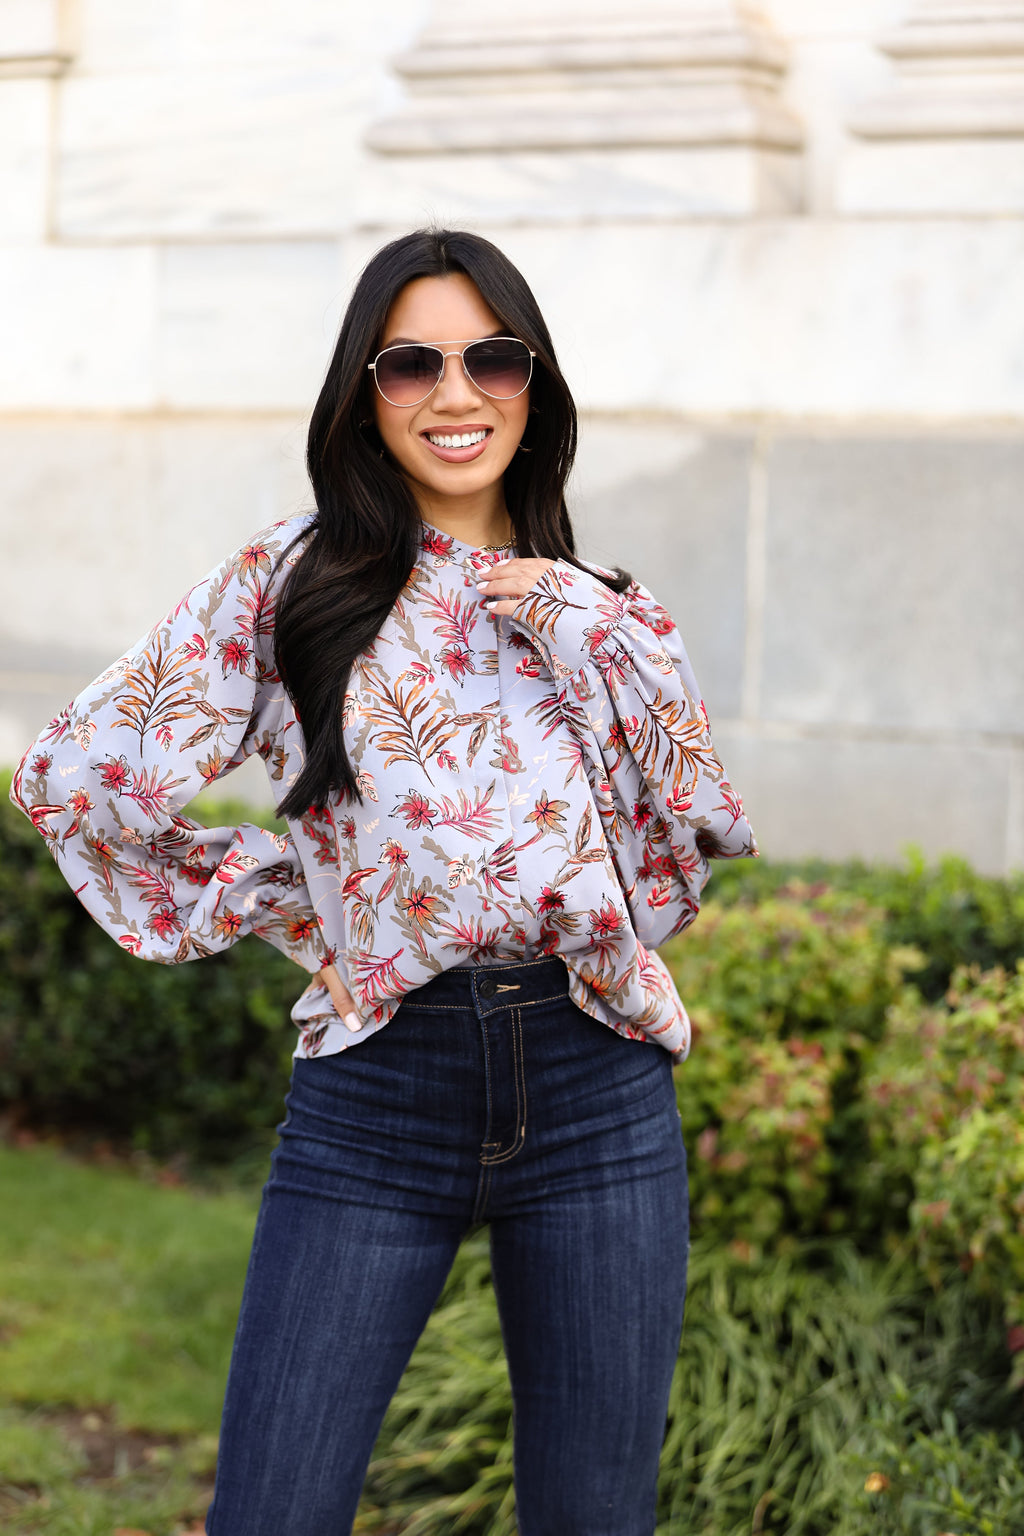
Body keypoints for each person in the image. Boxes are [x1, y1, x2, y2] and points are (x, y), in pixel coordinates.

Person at [10, 227, 757, 1535]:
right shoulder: (292, 582)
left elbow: (685, 854)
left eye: (493, 358)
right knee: (273, 1513)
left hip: (598, 1096)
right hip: (379, 1098)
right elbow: (76, 778)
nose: (456, 394)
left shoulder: (603, 608)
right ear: (365, 390)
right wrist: (289, 897)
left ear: (537, 385)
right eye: (412, 363)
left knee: (597, 1520)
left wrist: (603, 641)